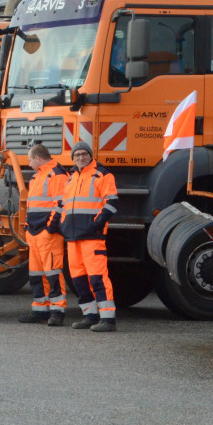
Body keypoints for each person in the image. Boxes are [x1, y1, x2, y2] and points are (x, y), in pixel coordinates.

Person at [60, 141, 118, 332]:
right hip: (73, 237)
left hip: (92, 236)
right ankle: (90, 316)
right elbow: (64, 206)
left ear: (90, 155)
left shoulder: (103, 174)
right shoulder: (71, 178)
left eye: (84, 154)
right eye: (77, 155)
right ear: (73, 158)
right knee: (78, 280)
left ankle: (108, 319)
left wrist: (96, 224)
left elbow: (111, 203)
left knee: (98, 278)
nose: (81, 157)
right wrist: (63, 226)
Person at [18, 144, 68, 326]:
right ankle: (40, 311)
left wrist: (50, 228)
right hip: (35, 232)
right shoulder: (37, 176)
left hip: (47, 234)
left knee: (53, 275)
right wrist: (27, 227)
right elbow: (32, 206)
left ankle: (57, 313)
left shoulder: (58, 174)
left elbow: (60, 204)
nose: (29, 164)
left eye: (30, 160)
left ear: (38, 158)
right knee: (36, 276)